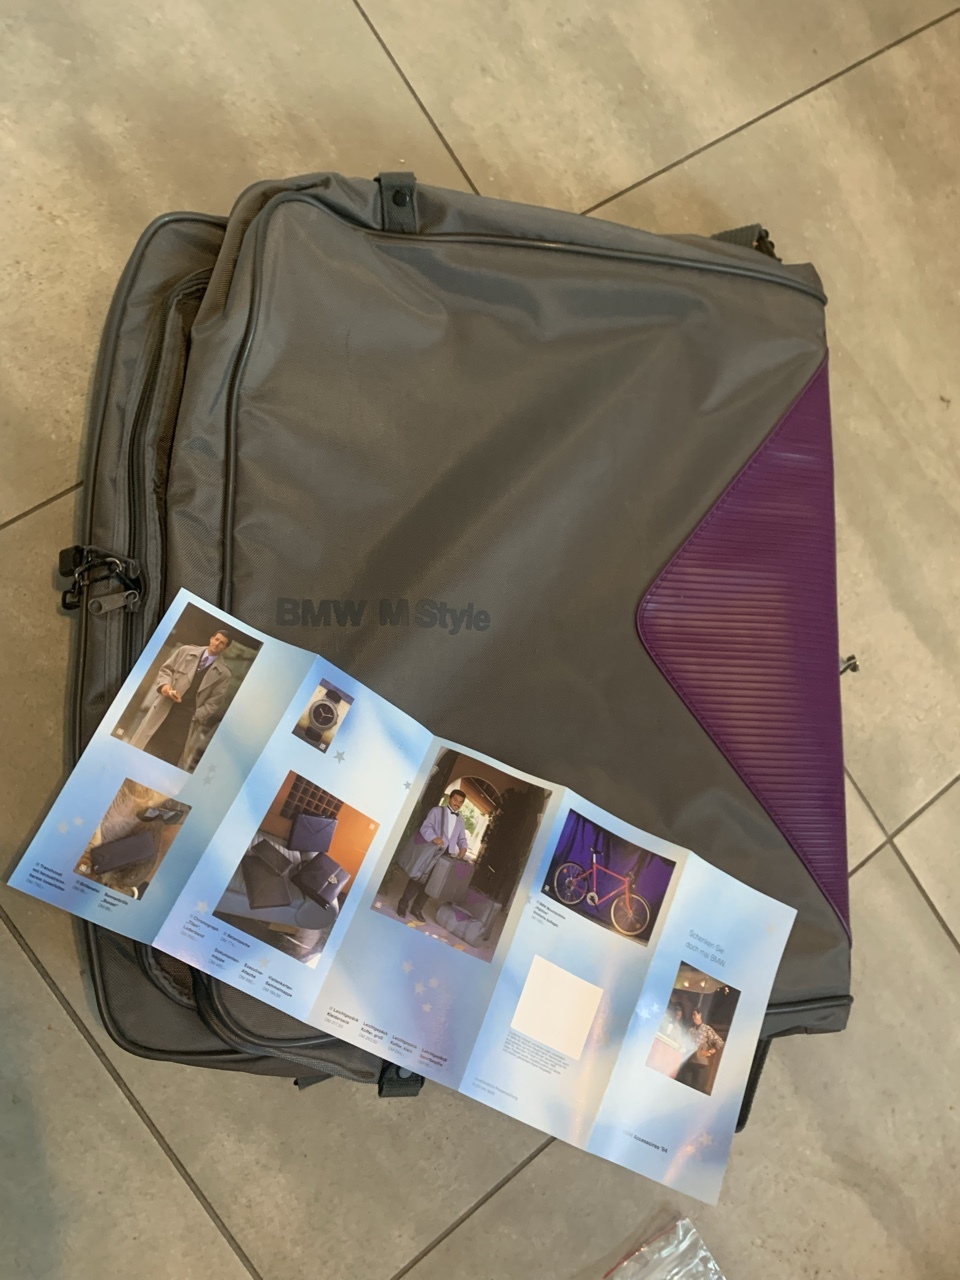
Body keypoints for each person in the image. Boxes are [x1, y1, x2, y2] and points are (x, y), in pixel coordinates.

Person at [129, 629, 233, 770]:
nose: (217, 644)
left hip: (186, 722)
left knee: (168, 760)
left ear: (225, 648)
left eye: (222, 643)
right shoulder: (186, 651)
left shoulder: (224, 674)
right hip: (164, 708)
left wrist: (196, 715)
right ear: (211, 638)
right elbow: (166, 670)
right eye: (216, 639)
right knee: (144, 748)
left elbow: (214, 703)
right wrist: (165, 686)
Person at [396, 789, 469, 921]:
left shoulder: (460, 821)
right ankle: (402, 904)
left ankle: (417, 909)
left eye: (460, 802)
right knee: (418, 878)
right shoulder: (437, 811)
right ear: (450, 798)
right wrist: (434, 837)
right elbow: (426, 827)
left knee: (434, 883)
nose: (457, 803)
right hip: (432, 851)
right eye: (455, 800)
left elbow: (462, 838)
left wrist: (463, 847)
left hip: (446, 857)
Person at [676, 1007, 725, 1093]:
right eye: (692, 1015)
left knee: (698, 1088)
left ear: (700, 1015)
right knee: (685, 1085)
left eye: (695, 1014)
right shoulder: (690, 1030)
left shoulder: (706, 1029)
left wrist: (709, 1052)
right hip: (689, 1062)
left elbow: (719, 1042)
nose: (693, 1017)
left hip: (701, 1065)